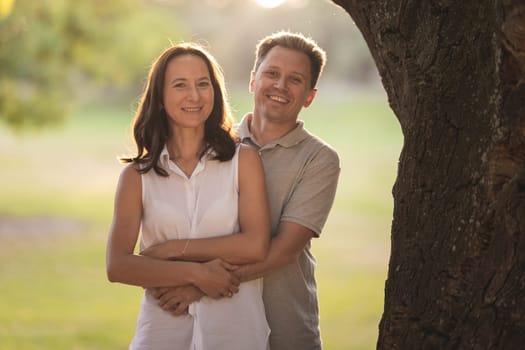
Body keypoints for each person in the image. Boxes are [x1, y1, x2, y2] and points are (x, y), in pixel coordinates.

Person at [147, 31, 341, 350]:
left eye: (295, 80)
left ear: (309, 96)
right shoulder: (215, 147)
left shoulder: (319, 159)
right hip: (219, 326)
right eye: (272, 74)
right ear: (253, 81)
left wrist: (199, 286)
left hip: (285, 325)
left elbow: (284, 249)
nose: (280, 86)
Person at [105, 42, 271, 350]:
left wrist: (170, 250)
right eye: (180, 85)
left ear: (215, 92)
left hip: (236, 335)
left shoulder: (244, 161)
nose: (194, 96)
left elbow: (256, 244)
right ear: (160, 99)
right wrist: (198, 273)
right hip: (160, 335)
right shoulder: (136, 177)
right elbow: (118, 266)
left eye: (202, 84)